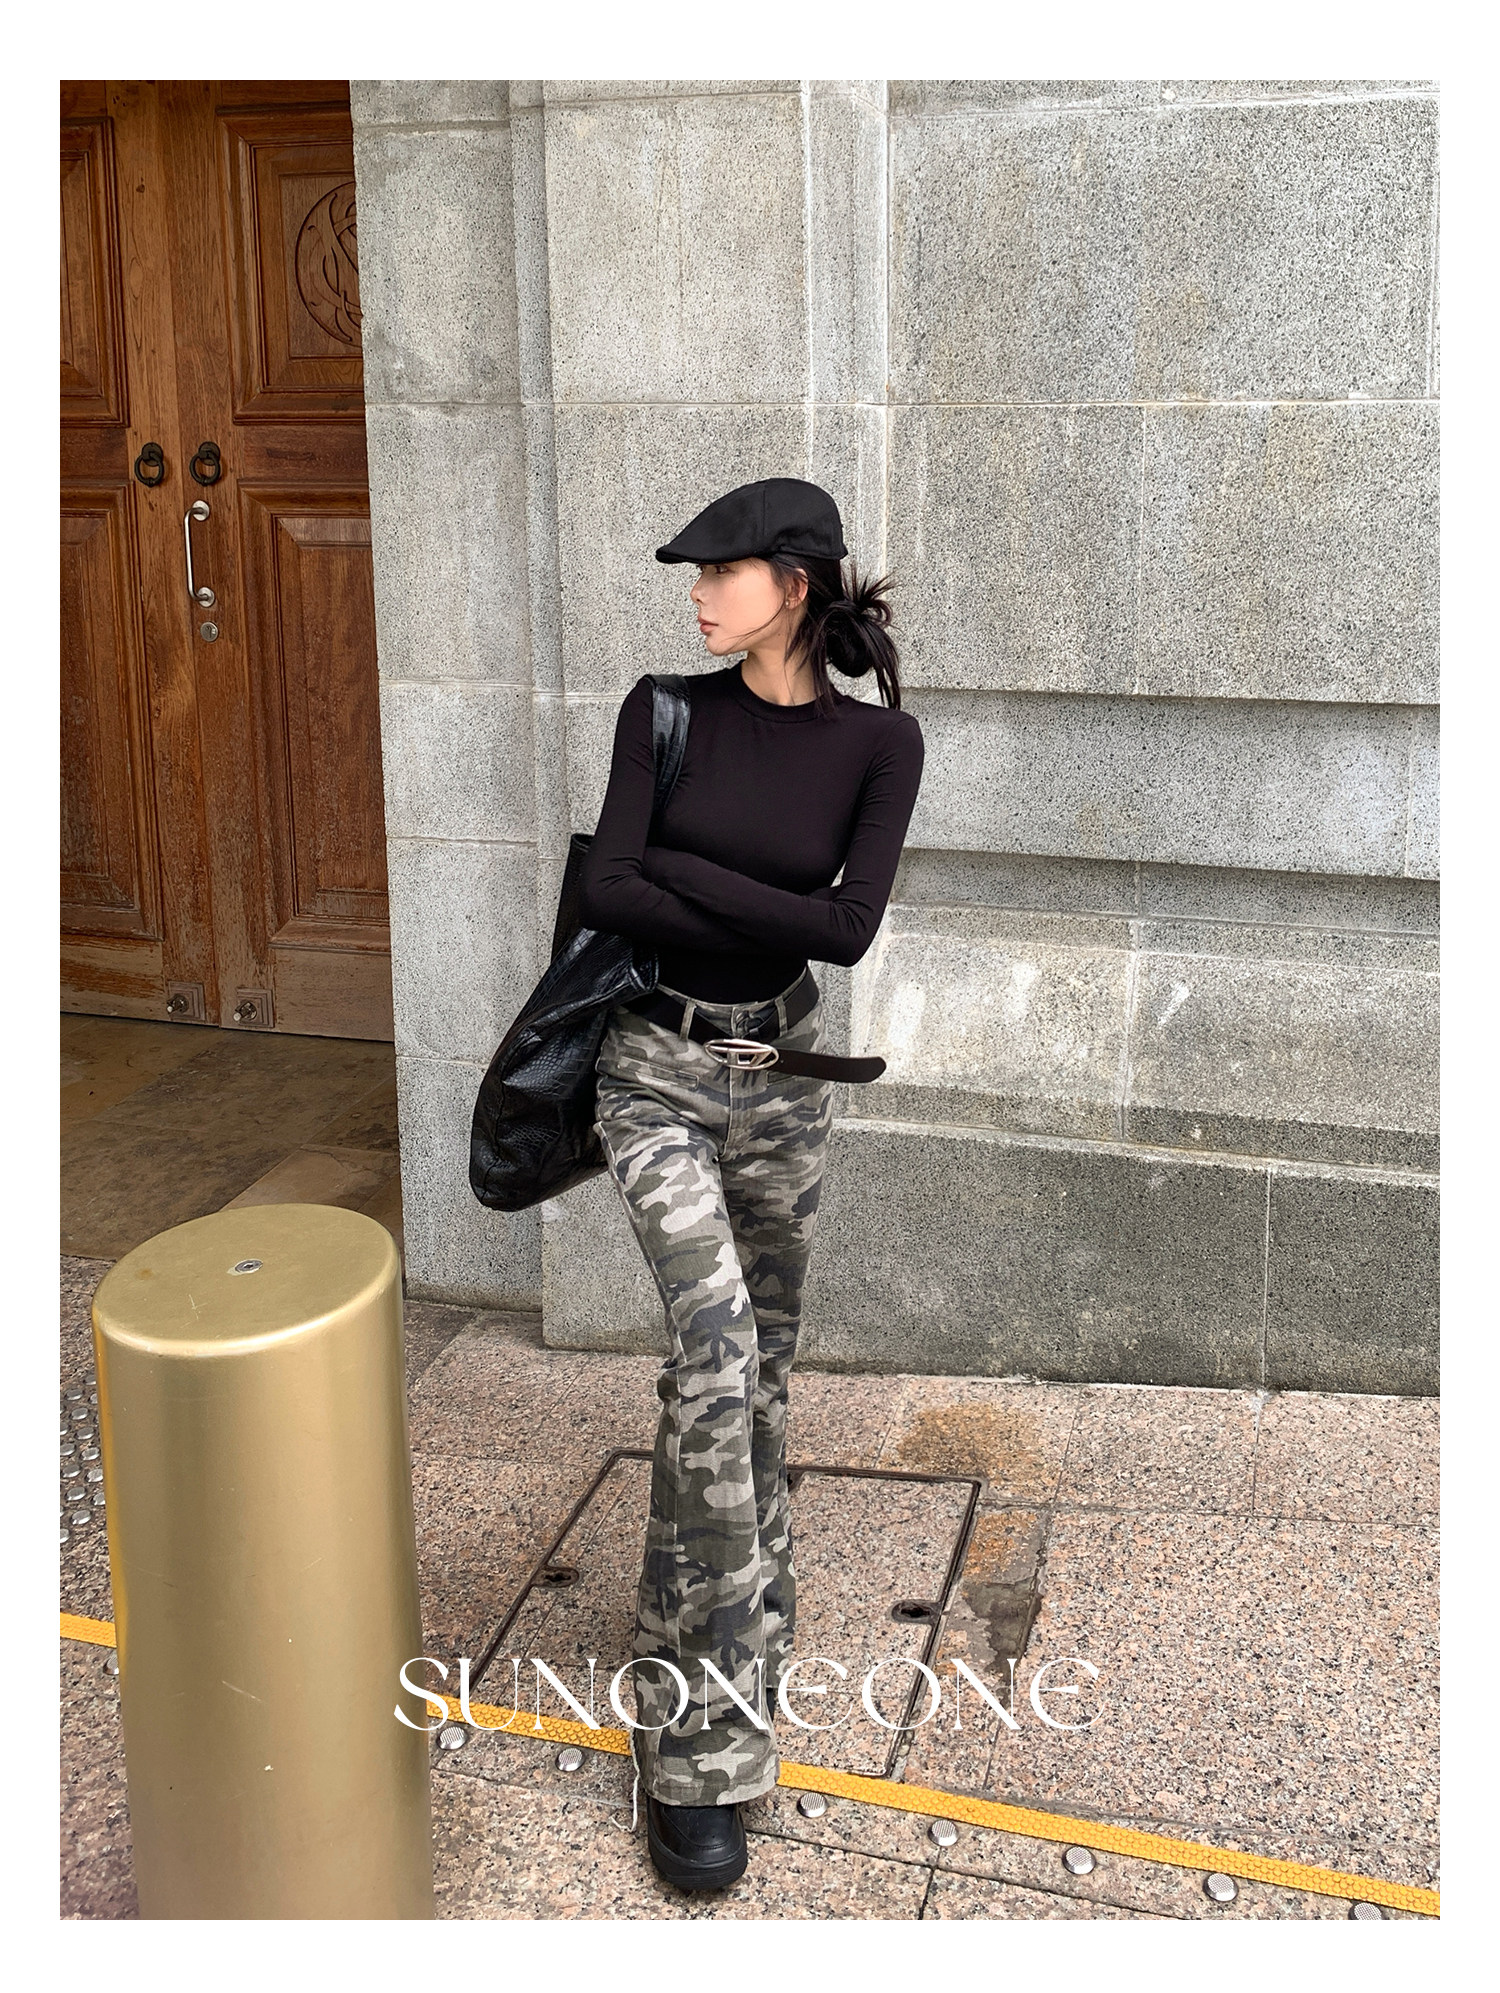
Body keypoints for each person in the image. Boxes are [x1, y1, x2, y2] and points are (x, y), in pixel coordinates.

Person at [578, 476, 925, 1891]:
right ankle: (699, 1750)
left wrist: (687, 871)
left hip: (783, 1082)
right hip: (651, 1074)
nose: (696, 592)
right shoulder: (664, 712)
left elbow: (846, 931)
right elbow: (606, 890)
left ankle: (721, 1621)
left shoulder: (880, 744)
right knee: (715, 1351)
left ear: (792, 585)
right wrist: (750, 897)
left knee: (753, 1381)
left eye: (718, 570)